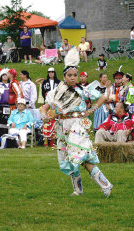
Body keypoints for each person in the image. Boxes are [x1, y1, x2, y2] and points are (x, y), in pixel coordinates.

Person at [40, 48, 113, 197]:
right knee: (68, 159)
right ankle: (78, 190)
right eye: (69, 75)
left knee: (82, 157)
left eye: (75, 75)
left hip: (77, 126)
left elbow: (102, 98)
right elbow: (45, 107)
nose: (73, 78)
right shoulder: (56, 92)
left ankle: (106, 185)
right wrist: (44, 115)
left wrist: (90, 110)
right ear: (64, 76)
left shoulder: (82, 90)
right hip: (62, 126)